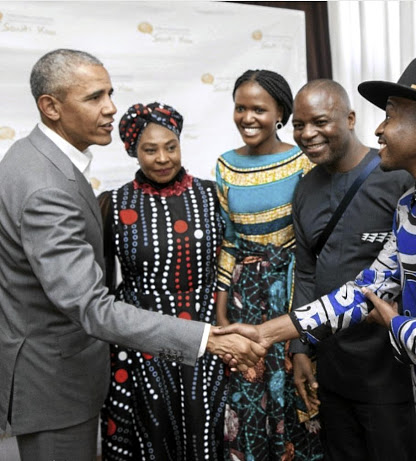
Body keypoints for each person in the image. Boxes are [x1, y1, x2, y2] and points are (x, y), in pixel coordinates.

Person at [219, 54, 416, 460]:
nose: (378, 129)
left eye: (390, 116)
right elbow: (364, 290)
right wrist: (267, 334)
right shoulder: (412, 205)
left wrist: (394, 323)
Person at [0, 48, 265, 461]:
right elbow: (91, 304)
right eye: (94, 98)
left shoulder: (34, 157)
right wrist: (206, 338)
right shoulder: (47, 186)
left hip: (70, 371)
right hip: (57, 382)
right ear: (50, 107)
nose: (110, 108)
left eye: (110, 93)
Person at [290, 79, 416, 460]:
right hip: (331, 372)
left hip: (389, 376)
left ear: (349, 118)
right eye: (299, 125)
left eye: (319, 121)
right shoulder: (305, 189)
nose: (308, 134)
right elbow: (306, 272)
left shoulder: (397, 178)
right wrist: (299, 347)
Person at [98, 102, 227, 460]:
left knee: (205, 424)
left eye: (170, 146)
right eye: (149, 149)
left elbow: (230, 268)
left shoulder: (212, 195)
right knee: (151, 428)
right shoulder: (113, 202)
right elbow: (103, 286)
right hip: (142, 336)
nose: (162, 158)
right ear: (132, 150)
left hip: (205, 336)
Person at [216, 69, 323, 460]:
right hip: (246, 296)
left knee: (299, 386)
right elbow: (230, 239)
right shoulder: (225, 165)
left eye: (258, 109)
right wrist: (222, 302)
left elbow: (313, 237)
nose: (247, 117)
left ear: (280, 111)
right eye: (240, 108)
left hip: (295, 289)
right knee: (248, 391)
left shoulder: (303, 160)